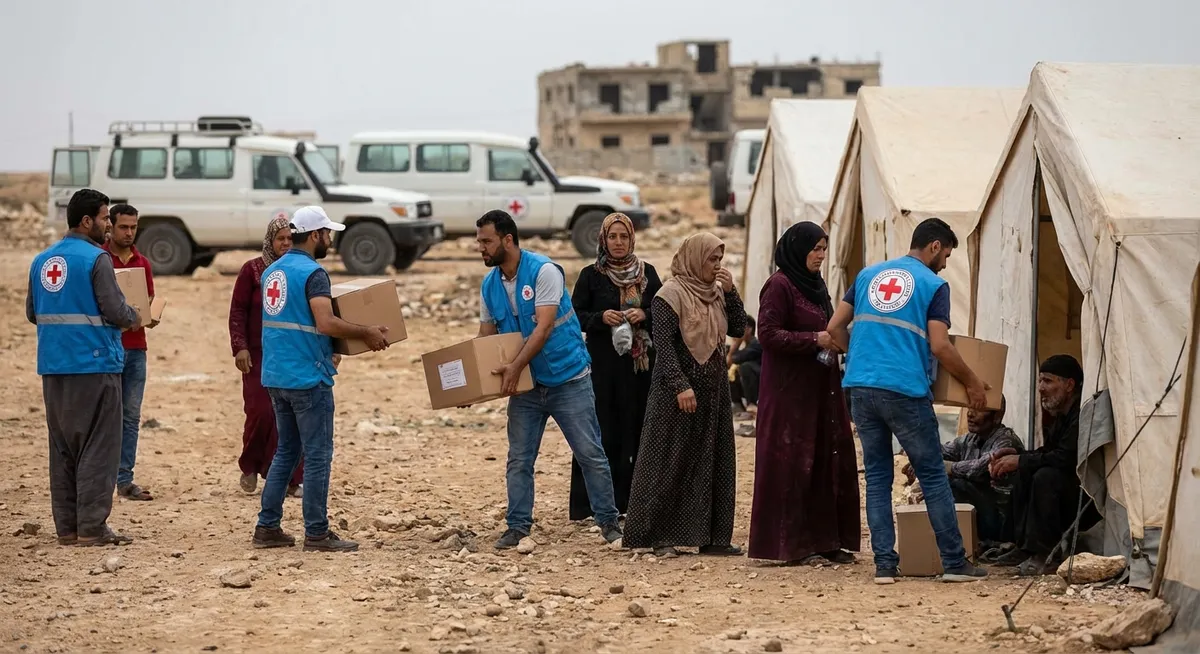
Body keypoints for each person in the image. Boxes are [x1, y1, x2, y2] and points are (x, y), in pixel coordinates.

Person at [826, 217, 989, 584]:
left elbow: (834, 328)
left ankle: (885, 565)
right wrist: (974, 383)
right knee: (932, 474)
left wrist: (860, 357)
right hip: (904, 389)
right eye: (946, 256)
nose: (944, 264)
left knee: (877, 477)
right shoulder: (933, 285)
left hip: (861, 387)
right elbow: (940, 345)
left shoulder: (868, 275)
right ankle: (954, 563)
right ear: (934, 246)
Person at [474, 210, 623, 548]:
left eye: (486, 241)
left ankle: (608, 522)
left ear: (508, 240)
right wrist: (473, 384)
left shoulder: (544, 271)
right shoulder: (489, 285)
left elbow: (542, 329)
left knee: (589, 454)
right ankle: (517, 527)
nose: (480, 247)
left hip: (567, 377)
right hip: (527, 385)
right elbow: (485, 337)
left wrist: (514, 368)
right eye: (479, 241)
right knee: (519, 459)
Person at [251, 206, 389, 553]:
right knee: (316, 456)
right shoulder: (313, 273)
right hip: (307, 376)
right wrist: (366, 332)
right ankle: (316, 533)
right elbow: (325, 322)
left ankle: (267, 527)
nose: (330, 239)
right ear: (315, 235)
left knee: (286, 451)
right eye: (327, 233)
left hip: (276, 375)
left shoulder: (272, 271)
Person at [26, 188, 141, 546]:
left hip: (53, 367)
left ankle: (67, 528)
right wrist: (134, 316)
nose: (108, 225)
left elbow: (32, 312)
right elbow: (115, 310)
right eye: (105, 218)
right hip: (94, 365)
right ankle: (91, 527)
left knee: (63, 448)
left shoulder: (42, 260)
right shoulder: (97, 259)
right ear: (87, 220)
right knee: (98, 446)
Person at [623, 232, 748, 558]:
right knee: (671, 461)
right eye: (711, 259)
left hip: (714, 392)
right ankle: (660, 536)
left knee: (713, 461)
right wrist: (681, 386)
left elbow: (738, 328)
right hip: (676, 394)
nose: (717, 265)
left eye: (720, 259)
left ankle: (713, 538)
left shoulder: (716, 294)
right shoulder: (670, 295)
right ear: (694, 259)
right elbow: (664, 347)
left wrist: (731, 292)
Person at [748, 222, 860, 564]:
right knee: (793, 464)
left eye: (824, 249)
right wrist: (814, 340)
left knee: (826, 459)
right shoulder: (779, 285)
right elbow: (767, 334)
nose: (821, 255)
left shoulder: (816, 285)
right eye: (815, 249)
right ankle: (793, 546)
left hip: (821, 389)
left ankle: (827, 541)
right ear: (798, 249)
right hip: (789, 393)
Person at [568, 212, 662, 521]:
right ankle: (590, 506)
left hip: (639, 369)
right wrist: (600, 318)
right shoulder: (591, 275)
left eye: (623, 236)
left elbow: (665, 311)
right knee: (600, 430)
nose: (618, 242)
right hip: (602, 368)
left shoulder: (648, 273)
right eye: (612, 236)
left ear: (632, 239)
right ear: (603, 240)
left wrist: (644, 314)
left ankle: (632, 503)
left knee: (636, 429)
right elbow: (574, 316)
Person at [989, 355, 1086, 575]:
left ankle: (1046, 555)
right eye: (1040, 380)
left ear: (1069, 385)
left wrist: (1021, 460)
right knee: (1025, 470)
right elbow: (1049, 452)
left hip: (1084, 497)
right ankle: (1023, 547)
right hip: (1065, 492)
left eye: (1048, 381)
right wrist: (1018, 457)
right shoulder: (1062, 416)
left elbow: (1065, 458)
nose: (1041, 388)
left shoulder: (1081, 413)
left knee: (1045, 477)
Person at [229, 215, 303, 498]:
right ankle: (250, 464)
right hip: (257, 355)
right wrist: (240, 346)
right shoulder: (252, 271)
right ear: (270, 241)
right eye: (280, 239)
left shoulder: (299, 271)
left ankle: (290, 478)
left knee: (291, 416)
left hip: (289, 354)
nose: (285, 244)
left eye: (290, 239)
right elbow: (238, 311)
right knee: (260, 411)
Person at [903, 397, 1023, 545]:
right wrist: (921, 455)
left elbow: (980, 467)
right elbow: (942, 451)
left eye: (979, 409)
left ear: (997, 417)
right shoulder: (970, 439)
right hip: (982, 514)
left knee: (955, 484)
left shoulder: (1006, 440)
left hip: (1001, 521)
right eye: (970, 407)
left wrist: (949, 467)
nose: (970, 413)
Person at [103, 203, 159, 502]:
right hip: (107, 347)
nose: (128, 232)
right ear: (110, 226)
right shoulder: (100, 259)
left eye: (133, 227)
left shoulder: (143, 263)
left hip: (136, 347)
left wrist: (151, 315)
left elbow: (147, 300)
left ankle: (124, 479)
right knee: (104, 416)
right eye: (123, 227)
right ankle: (100, 479)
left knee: (130, 416)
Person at [728, 317, 762, 411]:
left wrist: (735, 344)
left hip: (762, 382)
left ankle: (752, 404)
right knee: (730, 373)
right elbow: (727, 363)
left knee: (745, 367)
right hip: (749, 384)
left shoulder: (756, 344)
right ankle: (739, 405)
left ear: (749, 329)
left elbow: (735, 359)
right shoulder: (746, 346)